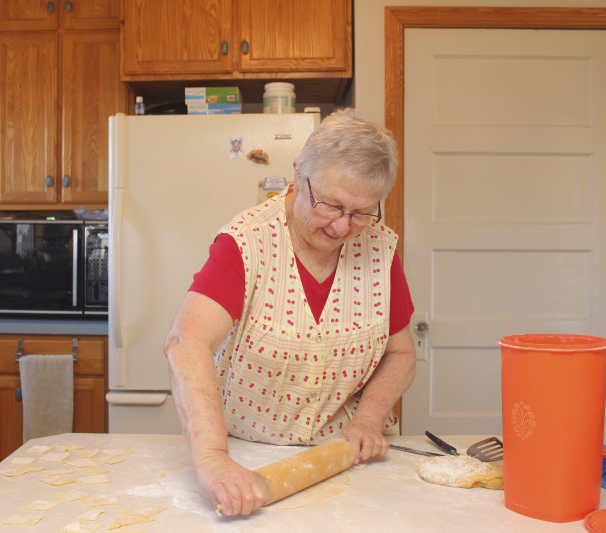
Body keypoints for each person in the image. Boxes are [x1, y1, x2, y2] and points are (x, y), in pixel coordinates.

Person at [163, 108, 417, 517]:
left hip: (346, 460)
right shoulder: (247, 243)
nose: (341, 227)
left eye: (361, 213)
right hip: (248, 459)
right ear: (299, 175)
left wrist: (369, 420)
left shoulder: (380, 249)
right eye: (330, 205)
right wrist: (212, 458)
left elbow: (401, 353)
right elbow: (184, 343)